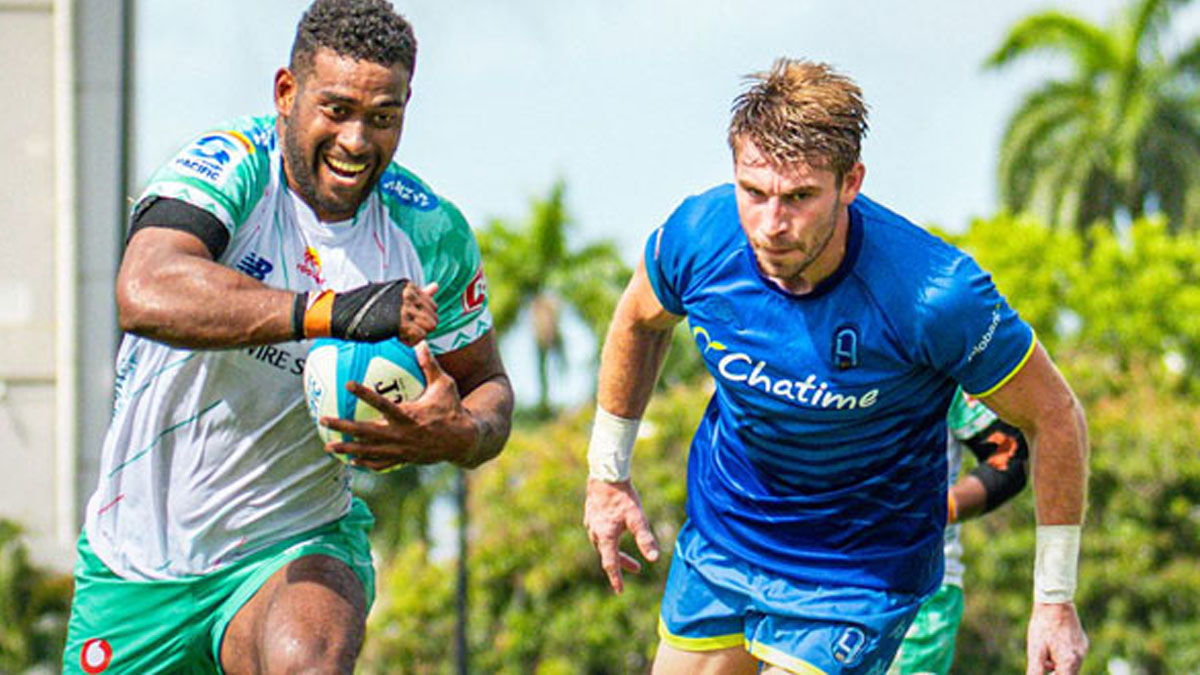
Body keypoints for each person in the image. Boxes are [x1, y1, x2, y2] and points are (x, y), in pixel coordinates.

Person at [582, 58, 1089, 675]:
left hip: (859, 576)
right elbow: (638, 320)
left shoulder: (934, 296)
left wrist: (1054, 600)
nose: (772, 225)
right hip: (725, 540)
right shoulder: (699, 236)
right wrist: (608, 475)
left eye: (799, 197)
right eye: (753, 193)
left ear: (851, 182)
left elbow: (1055, 416)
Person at [62, 1, 513, 672]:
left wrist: (460, 434)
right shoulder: (233, 166)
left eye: (382, 117)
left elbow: (487, 385)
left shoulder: (430, 234)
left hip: (295, 540)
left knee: (307, 660)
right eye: (337, 110)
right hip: (137, 560)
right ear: (286, 92)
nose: (357, 141)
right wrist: (331, 311)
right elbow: (146, 289)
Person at [890, 387, 1030, 674]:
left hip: (917, 596)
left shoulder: (942, 367)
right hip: (806, 579)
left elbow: (1010, 455)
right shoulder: (795, 367)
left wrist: (937, 510)